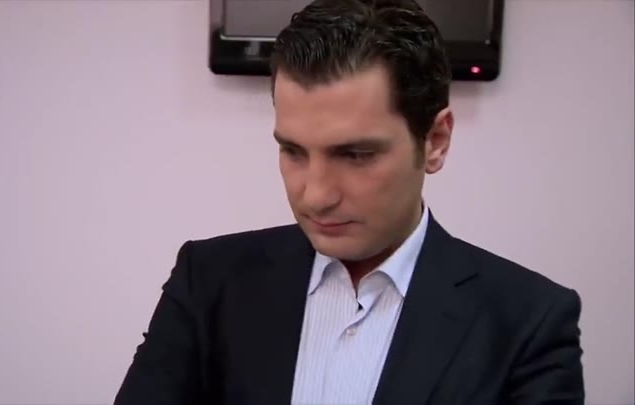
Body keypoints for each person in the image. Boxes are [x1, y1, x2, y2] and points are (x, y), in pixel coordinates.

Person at [114, 0, 585, 403]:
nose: (316, 195)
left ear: (435, 141)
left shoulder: (529, 322)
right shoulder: (207, 281)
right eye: (293, 151)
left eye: (356, 155)